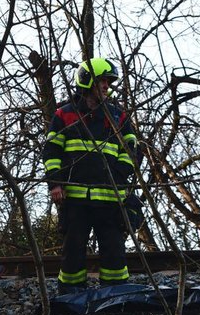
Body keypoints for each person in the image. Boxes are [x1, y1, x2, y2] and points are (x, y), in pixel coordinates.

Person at [42, 57, 139, 293]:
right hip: (75, 198)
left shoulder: (118, 117)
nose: (106, 86)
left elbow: (131, 150)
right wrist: (55, 183)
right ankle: (70, 295)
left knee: (114, 248)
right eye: (101, 81)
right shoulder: (64, 115)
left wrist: (120, 174)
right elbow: (51, 151)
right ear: (86, 82)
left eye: (108, 82)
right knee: (73, 248)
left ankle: (116, 294)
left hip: (109, 198)